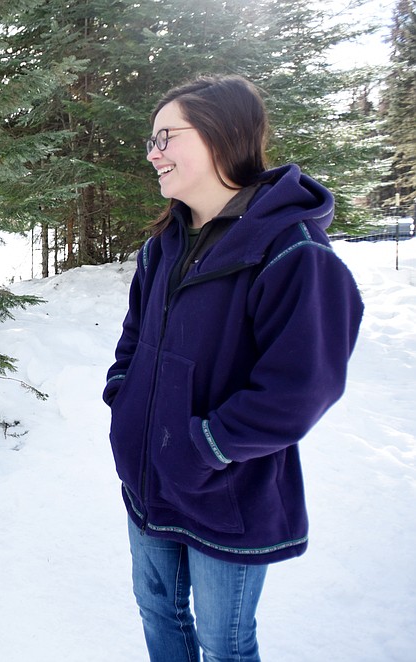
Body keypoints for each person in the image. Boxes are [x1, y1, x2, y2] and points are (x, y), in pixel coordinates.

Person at [103, 75, 364, 661]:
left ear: (222, 136)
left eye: (166, 136)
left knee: (224, 642)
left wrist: (207, 448)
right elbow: (134, 337)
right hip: (148, 477)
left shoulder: (294, 253)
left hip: (226, 490)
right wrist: (123, 397)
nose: (153, 153)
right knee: (158, 613)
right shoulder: (162, 244)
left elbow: (301, 388)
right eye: (150, 141)